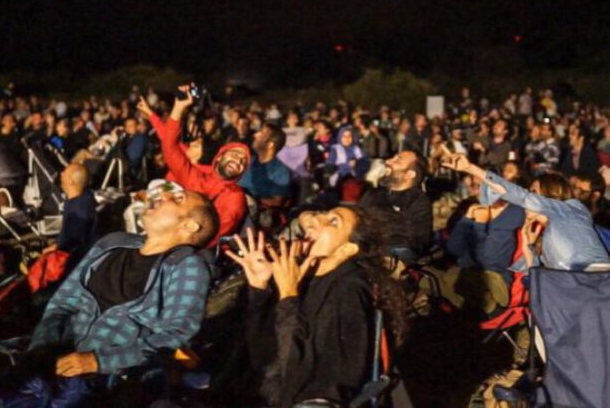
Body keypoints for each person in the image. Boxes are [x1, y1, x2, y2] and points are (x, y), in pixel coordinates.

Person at [0, 189, 219, 407]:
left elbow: (177, 334)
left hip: (107, 378)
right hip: (51, 359)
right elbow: (63, 303)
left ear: (189, 226)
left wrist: (97, 361)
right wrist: (41, 347)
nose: (164, 194)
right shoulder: (113, 243)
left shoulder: (186, 265)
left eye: (178, 199)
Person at [226, 207, 408, 407]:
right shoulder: (302, 278)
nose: (315, 221)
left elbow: (300, 377)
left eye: (333, 222)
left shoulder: (348, 290)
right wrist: (259, 289)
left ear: (347, 249)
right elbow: (264, 358)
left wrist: (288, 297)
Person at [442, 153, 609, 271]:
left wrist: (470, 168)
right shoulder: (542, 231)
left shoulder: (572, 209)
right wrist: (528, 247)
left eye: (534, 191)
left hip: (595, 285)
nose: (530, 197)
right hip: (567, 295)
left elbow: (521, 196)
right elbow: (534, 280)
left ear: (549, 193)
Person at [137, 85, 250, 245]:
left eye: (243, 162)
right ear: (219, 158)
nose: (239, 160)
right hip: (168, 224)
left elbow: (216, 234)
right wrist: (178, 107)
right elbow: (169, 143)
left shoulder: (235, 196)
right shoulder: (195, 174)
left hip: (193, 248)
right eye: (234, 154)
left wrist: (176, 245)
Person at [359, 150, 432, 260]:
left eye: (398, 160)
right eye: (392, 157)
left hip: (390, 254)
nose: (388, 161)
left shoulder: (418, 201)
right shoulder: (373, 193)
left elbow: (418, 241)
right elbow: (357, 220)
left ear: (409, 174)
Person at [43, 164, 98, 270]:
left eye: (65, 172)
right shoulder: (84, 197)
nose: (61, 173)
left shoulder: (78, 211)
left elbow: (71, 243)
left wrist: (53, 248)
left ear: (71, 182)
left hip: (75, 261)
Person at [238, 122, 292, 205]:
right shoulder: (248, 160)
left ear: (270, 145)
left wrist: (248, 200)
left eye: (262, 133)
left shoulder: (280, 171)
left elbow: (276, 202)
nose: (255, 135)